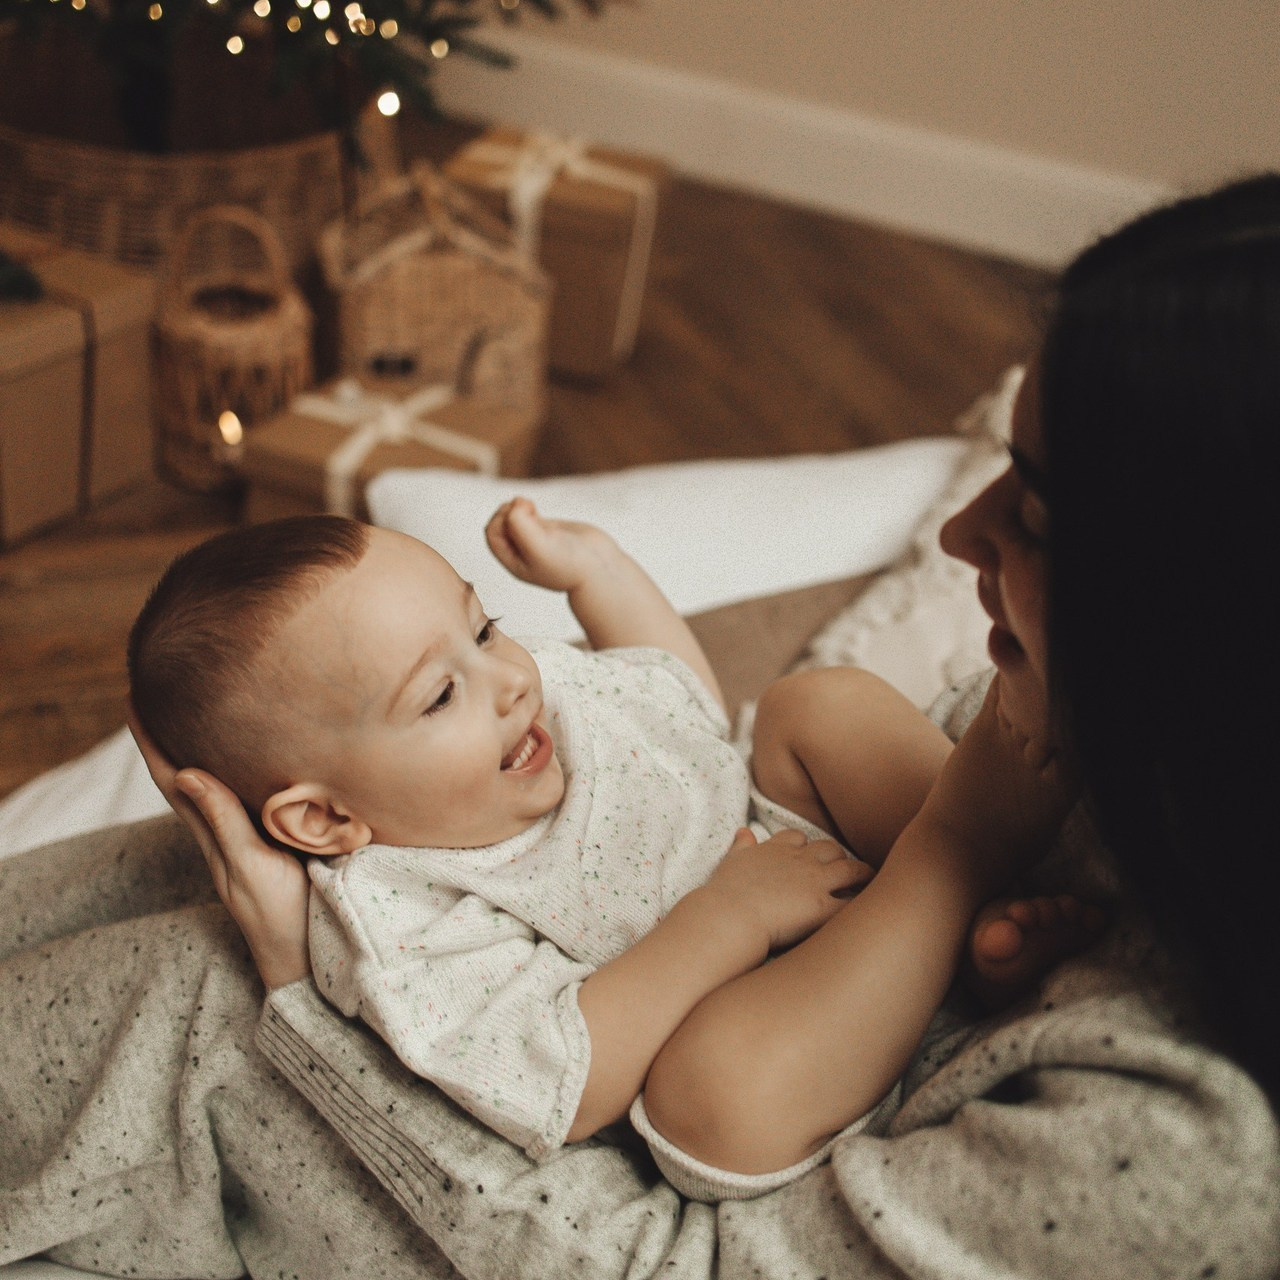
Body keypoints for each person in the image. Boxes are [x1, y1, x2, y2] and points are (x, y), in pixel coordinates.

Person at [3, 174, 1278, 1279]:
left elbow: (649, 1216)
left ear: (1201, 611)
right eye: (440, 689)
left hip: (696, 1109)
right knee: (816, 702)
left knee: (179, 989)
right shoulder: (1088, 727)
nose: (958, 533)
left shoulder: (1179, 1149)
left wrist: (296, 995)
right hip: (828, 940)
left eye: (1036, 513)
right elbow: (692, 717)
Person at [128, 498, 1067, 1199]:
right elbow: (563, 1083)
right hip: (776, 1038)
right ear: (325, 820)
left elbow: (678, 711)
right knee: (709, 1105)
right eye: (440, 696)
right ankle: (957, 884)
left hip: (811, 869)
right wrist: (729, 916)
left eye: (483, 626)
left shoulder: (524, 708)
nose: (508, 677)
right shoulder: (397, 920)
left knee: (810, 706)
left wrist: (601, 576)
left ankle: (983, 898)